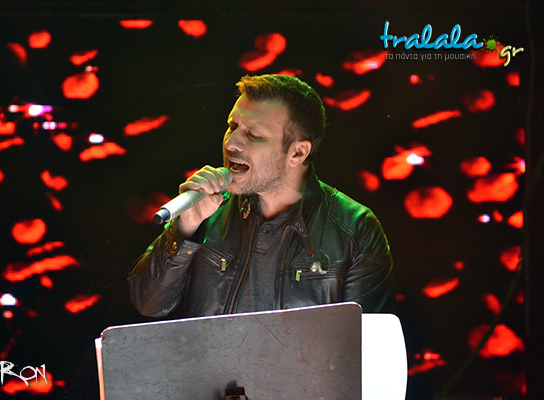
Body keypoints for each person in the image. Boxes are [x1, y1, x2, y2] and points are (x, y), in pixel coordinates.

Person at [128, 74, 395, 318]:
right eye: (232, 126)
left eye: (254, 135)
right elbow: (148, 304)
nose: (231, 143)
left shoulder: (354, 228)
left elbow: (365, 343)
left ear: (298, 153)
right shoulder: (208, 209)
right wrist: (184, 230)